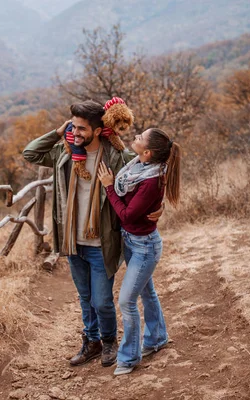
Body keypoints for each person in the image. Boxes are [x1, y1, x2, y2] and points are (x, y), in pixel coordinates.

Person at [22, 100, 162, 368]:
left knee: (102, 301)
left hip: (101, 243)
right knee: (85, 299)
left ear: (98, 130)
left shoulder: (117, 158)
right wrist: (57, 131)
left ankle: (109, 341)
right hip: (72, 241)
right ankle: (91, 341)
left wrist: (159, 205)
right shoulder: (64, 152)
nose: (76, 132)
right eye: (73, 126)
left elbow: (151, 174)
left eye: (82, 128)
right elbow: (30, 153)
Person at [97, 127, 180, 375]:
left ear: (147, 152)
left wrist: (109, 187)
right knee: (147, 292)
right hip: (132, 241)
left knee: (126, 301)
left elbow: (126, 214)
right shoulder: (139, 166)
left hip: (144, 246)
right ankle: (157, 338)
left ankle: (128, 358)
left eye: (140, 138)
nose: (135, 137)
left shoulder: (152, 180)